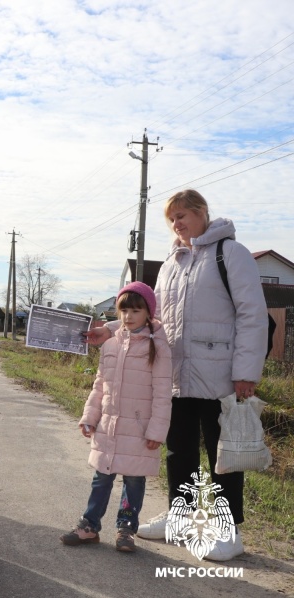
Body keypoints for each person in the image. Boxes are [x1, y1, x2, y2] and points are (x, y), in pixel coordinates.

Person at [85, 189, 268, 561]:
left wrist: (246, 372)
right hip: (174, 373)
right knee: (178, 450)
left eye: (183, 215)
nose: (177, 223)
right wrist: (110, 329)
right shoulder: (172, 261)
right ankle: (180, 517)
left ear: (202, 212)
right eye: (172, 218)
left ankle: (228, 530)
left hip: (221, 375)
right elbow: (154, 320)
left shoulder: (231, 254)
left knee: (224, 454)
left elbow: (252, 314)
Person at [61, 282, 172, 552]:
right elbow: (100, 385)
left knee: (134, 480)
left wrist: (156, 431)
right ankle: (89, 526)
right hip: (108, 427)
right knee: (101, 477)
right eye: (124, 311)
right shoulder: (110, 344)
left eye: (136, 310)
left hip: (139, 428)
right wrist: (90, 416)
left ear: (148, 312)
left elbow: (162, 393)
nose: (129, 316)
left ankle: (126, 529)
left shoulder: (157, 347)